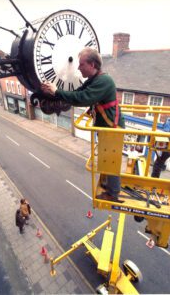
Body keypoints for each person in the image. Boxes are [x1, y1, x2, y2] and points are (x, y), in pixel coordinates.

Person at [41, 47, 125, 202]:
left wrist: (57, 92)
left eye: (81, 64)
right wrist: (55, 92)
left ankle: (113, 193)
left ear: (92, 65)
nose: (78, 68)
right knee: (107, 157)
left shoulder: (104, 81)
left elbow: (82, 98)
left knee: (111, 160)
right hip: (106, 127)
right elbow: (78, 93)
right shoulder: (94, 80)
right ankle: (109, 186)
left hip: (112, 128)